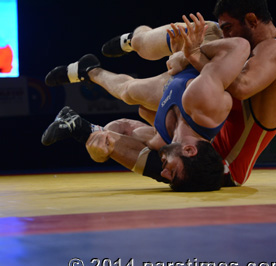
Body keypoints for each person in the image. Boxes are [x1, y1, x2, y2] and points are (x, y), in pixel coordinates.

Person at [43, 0, 276, 188]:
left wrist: (191, 55)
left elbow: (241, 87)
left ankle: (83, 127)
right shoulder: (234, 45)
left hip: (222, 165)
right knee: (205, 30)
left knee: (162, 158)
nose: (227, 33)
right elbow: (225, 64)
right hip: (203, 117)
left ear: (252, 20)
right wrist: (191, 53)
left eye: (230, 27)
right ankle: (133, 42)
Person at [42, 13, 251, 191]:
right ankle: (132, 39)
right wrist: (192, 54)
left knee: (128, 92)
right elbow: (240, 46)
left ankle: (88, 70)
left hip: (173, 83)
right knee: (144, 45)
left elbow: (121, 129)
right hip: (203, 39)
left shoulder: (160, 141)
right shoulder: (203, 104)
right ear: (189, 151)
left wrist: (99, 145)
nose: (163, 172)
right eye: (173, 172)